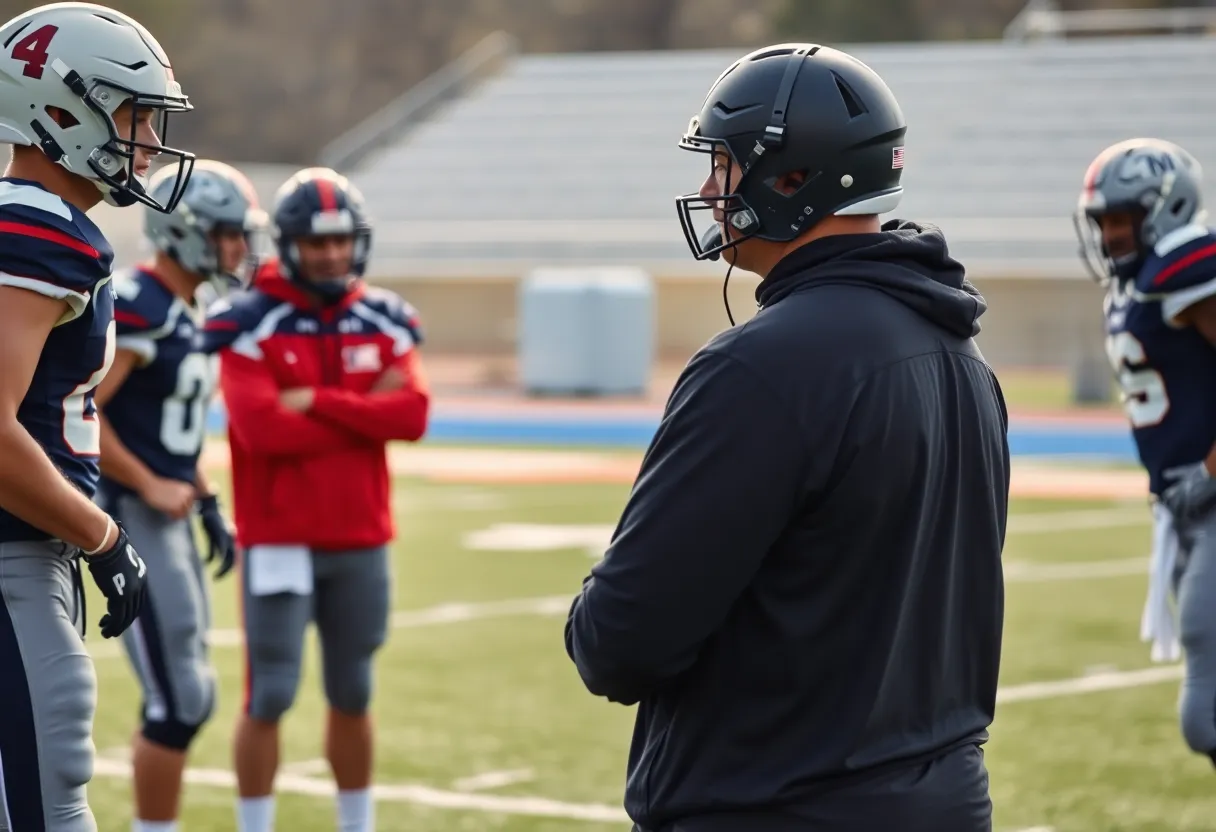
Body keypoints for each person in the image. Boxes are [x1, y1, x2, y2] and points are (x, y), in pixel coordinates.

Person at [565, 43, 1010, 832]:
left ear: (792, 177)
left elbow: (622, 642)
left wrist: (589, 610)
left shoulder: (763, 367)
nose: (708, 190)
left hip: (777, 802)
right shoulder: (963, 354)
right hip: (943, 799)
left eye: (725, 165)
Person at [0, 2, 195, 829]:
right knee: (51, 794)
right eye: (131, 114)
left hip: (24, 550)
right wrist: (103, 536)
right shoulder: (39, 227)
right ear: (58, 108)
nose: (146, 141)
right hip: (13, 556)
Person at [202, 166, 431, 832]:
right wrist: (365, 407)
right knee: (268, 695)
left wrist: (318, 402)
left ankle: (356, 824)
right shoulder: (245, 318)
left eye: (342, 240)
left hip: (360, 536)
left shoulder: (385, 316)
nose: (332, 254)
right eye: (317, 242)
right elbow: (261, 429)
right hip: (278, 538)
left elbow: (412, 414)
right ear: (289, 243)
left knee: (354, 691)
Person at [93, 159, 265, 832]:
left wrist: (203, 495)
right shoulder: (138, 303)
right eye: (229, 233)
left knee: (193, 689)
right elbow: (83, 413)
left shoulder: (192, 306)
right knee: (178, 701)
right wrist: (148, 483)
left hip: (166, 514)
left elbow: (173, 432)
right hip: (130, 513)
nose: (240, 248)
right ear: (188, 231)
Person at [1074, 138, 1216, 767]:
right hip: (1184, 506)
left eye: (1120, 218)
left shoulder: (1185, 270)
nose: (1109, 235)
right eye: (1102, 222)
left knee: (1206, 714)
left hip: (1208, 497)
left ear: (1166, 210)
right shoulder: (1134, 289)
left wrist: (1210, 471)